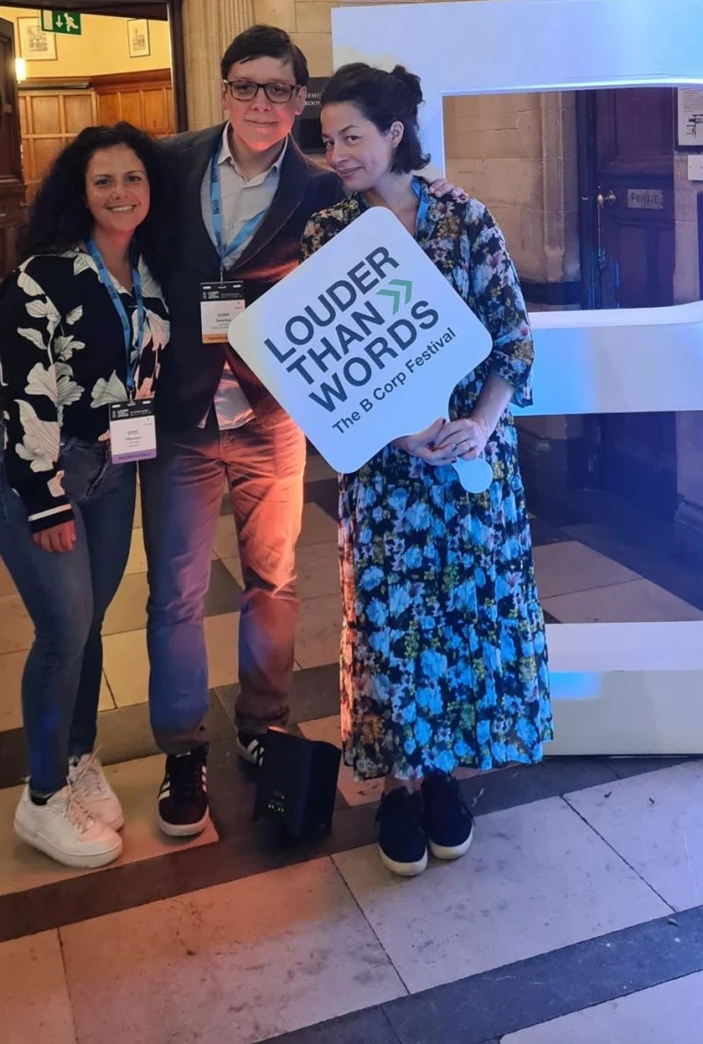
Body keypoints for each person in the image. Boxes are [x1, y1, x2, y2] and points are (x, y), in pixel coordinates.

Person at [143, 25, 463, 840]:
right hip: (181, 413)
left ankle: (263, 720)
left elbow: (373, 295)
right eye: (246, 86)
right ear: (223, 92)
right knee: (175, 591)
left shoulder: (324, 191)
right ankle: (183, 749)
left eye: (279, 90)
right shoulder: (169, 163)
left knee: (274, 579)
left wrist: (412, 406)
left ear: (298, 99)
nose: (262, 102)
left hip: (271, 415)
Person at [302, 62, 552, 877]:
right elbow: (328, 366)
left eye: (352, 136)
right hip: (386, 473)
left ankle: (444, 771)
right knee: (388, 626)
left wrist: (480, 424)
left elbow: (513, 339)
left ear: (394, 135)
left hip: (469, 468)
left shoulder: (464, 219)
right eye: (329, 138)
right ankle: (399, 784)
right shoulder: (328, 233)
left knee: (461, 619)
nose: (337, 151)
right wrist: (397, 433)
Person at [0, 123, 170, 870]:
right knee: (62, 630)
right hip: (48, 470)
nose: (121, 192)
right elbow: (24, 394)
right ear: (80, 190)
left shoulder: (150, 271)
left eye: (132, 177)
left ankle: (76, 758)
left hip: (113, 468)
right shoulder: (43, 275)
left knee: (93, 620)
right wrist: (46, 500)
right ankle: (39, 800)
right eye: (104, 181)